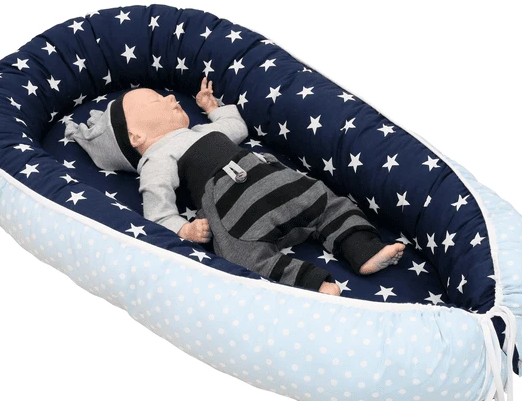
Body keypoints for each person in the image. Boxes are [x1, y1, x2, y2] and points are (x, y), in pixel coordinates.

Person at [64, 78, 404, 297]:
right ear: (137, 137)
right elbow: (158, 210)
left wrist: (213, 109)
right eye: (157, 102)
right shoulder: (158, 157)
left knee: (327, 202)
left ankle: (363, 250)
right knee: (242, 257)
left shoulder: (200, 131)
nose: (170, 98)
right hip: (232, 204)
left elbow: (236, 130)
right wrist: (184, 229)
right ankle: (313, 284)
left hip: (272, 179)